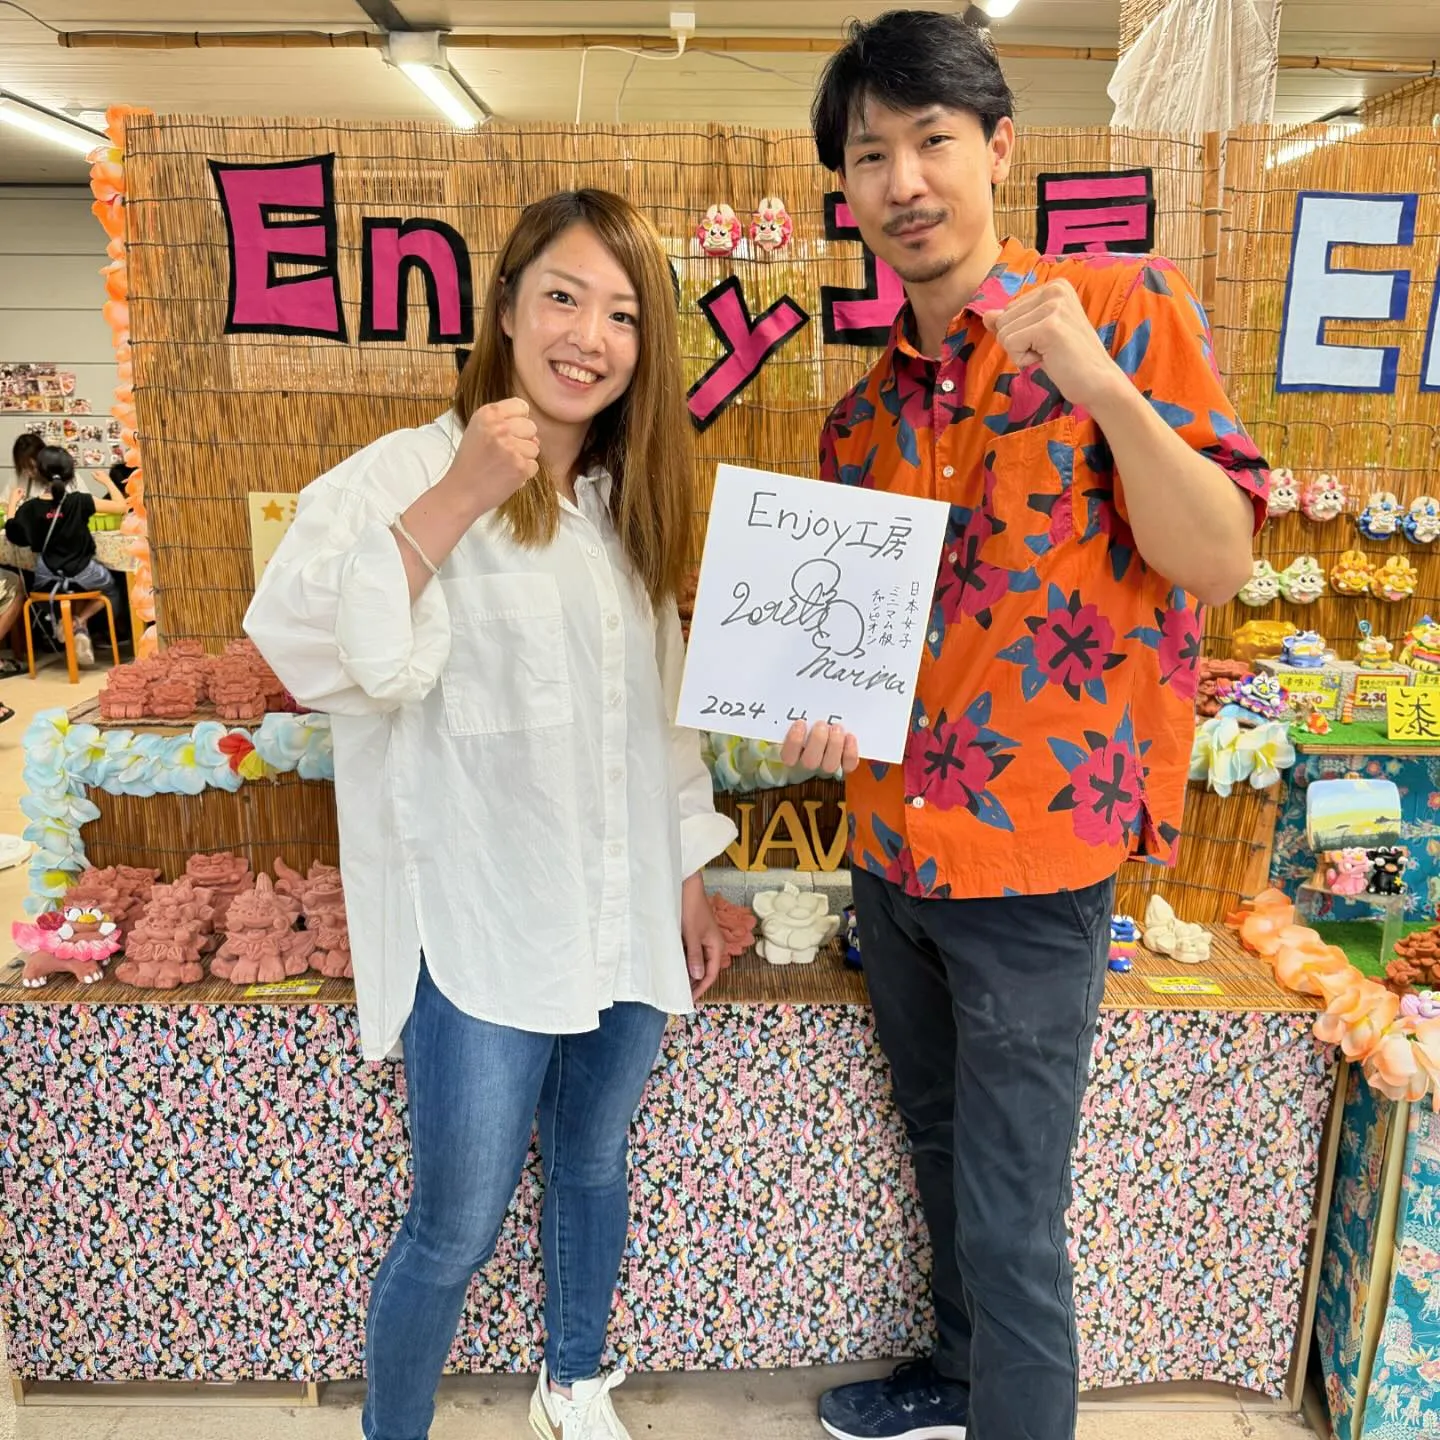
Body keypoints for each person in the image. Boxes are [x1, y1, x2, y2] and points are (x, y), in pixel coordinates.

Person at [797, 12, 1269, 1440]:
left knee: (1014, 1214)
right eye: (870, 156)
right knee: (940, 1150)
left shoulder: (1126, 310)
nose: (904, 181)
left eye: (932, 140)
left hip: (1038, 870)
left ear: (998, 148)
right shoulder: (860, 420)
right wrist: (819, 715)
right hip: (891, 852)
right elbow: (853, 643)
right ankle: (955, 1379)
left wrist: (1107, 392)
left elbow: (1220, 559)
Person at [245, 189, 742, 1440]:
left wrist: (687, 866)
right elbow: (311, 642)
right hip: (478, 914)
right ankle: (393, 1427)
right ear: (508, 307)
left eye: (623, 314)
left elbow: (660, 715)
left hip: (619, 902)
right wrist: (459, 494)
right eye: (564, 297)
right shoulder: (405, 469)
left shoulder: (628, 505)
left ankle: (573, 1378)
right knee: (455, 1221)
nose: (589, 335)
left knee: (591, 1164)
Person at [4, 445, 127, 669]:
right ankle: (79, 622)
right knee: (111, 589)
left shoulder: (31, 508)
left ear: (39, 474)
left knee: (39, 596)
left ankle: (65, 621)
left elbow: (14, 535)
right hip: (83, 572)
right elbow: (121, 506)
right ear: (71, 472)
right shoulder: (80, 501)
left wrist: (13, 502)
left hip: (47, 576)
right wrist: (107, 482)